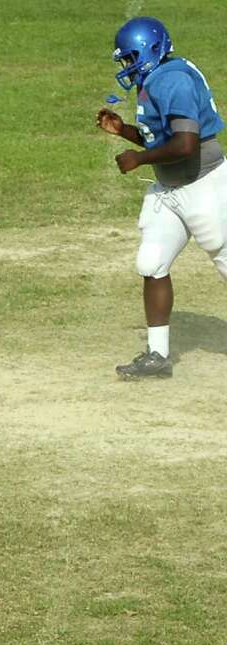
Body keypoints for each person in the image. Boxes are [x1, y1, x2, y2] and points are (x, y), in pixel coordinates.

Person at [97, 17, 227, 380]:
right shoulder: (157, 77)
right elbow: (162, 140)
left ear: (150, 49)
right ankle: (157, 355)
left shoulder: (173, 80)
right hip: (169, 190)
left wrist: (138, 159)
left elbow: (185, 146)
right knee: (152, 263)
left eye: (130, 58)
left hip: (204, 186)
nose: (127, 66)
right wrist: (124, 132)